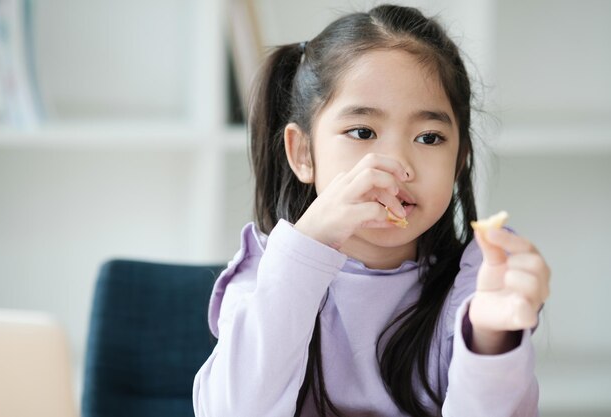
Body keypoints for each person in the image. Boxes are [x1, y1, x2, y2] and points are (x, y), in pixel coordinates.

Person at [193, 4, 550, 417]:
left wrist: (490, 337)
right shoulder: (265, 278)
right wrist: (307, 246)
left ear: (460, 161)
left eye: (429, 137)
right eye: (362, 132)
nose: (396, 164)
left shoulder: (474, 288)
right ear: (303, 152)